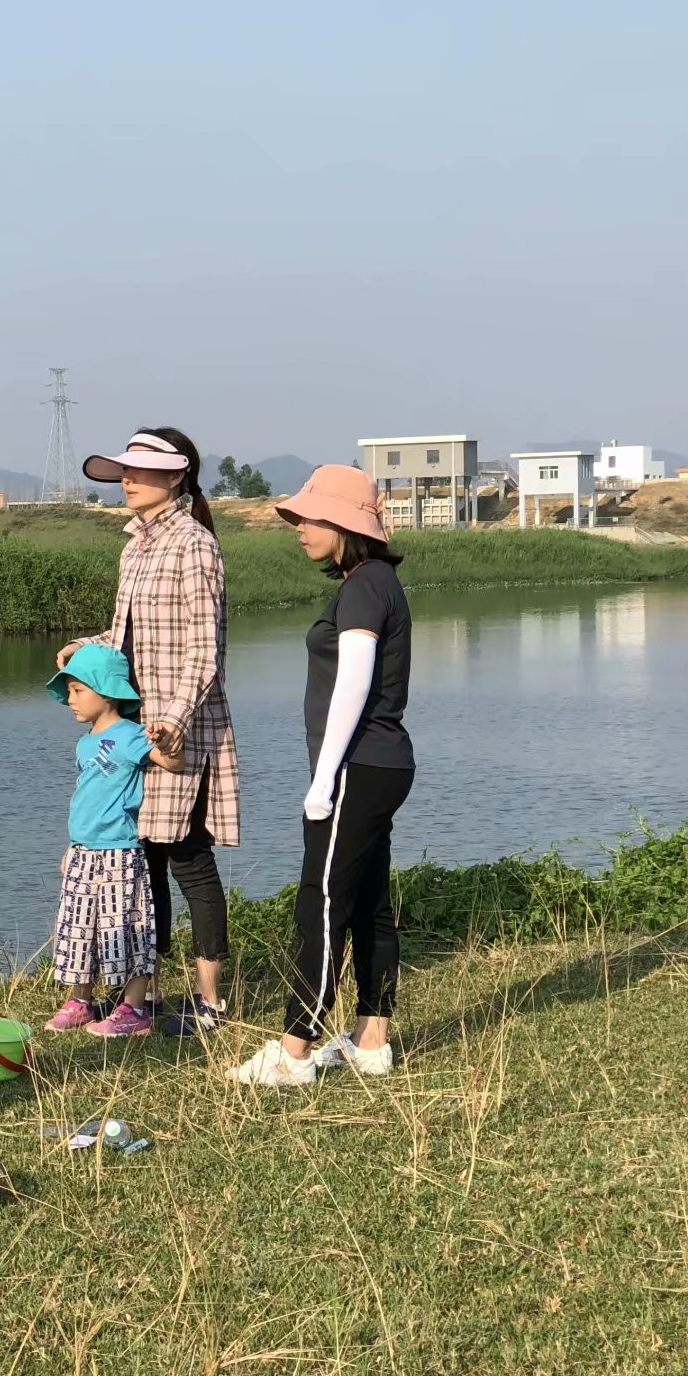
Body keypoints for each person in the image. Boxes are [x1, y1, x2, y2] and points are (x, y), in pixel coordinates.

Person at [229, 465, 416, 1088]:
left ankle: (295, 1048)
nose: (299, 529)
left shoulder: (365, 586)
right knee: (367, 902)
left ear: (344, 524)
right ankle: (370, 1039)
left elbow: (354, 683)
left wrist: (323, 778)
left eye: (311, 519)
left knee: (323, 900)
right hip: (381, 763)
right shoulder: (376, 581)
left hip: (359, 764)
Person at [58, 429, 240, 1036]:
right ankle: (145, 998)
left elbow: (205, 653)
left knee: (188, 858)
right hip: (138, 728)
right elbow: (122, 636)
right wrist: (83, 649)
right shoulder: (134, 548)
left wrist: (174, 720)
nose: (126, 481)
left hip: (181, 731)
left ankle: (210, 1000)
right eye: (122, 473)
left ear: (176, 477)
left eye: (138, 472)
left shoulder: (195, 545)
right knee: (144, 864)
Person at [40, 644, 184, 1037]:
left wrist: (166, 741)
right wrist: (73, 845)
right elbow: (86, 797)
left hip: (120, 851)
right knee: (77, 928)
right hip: (85, 851)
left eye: (77, 691)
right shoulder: (85, 743)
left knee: (126, 927)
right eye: (68, 692)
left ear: (106, 692)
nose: (70, 700)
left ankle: (134, 1010)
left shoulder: (131, 735)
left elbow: (173, 762)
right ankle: (80, 1001)